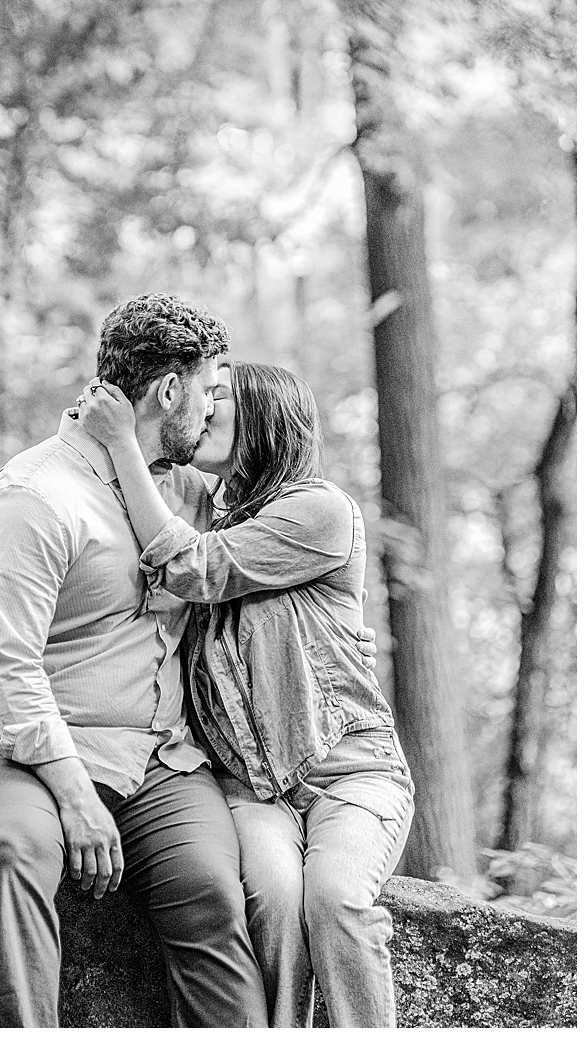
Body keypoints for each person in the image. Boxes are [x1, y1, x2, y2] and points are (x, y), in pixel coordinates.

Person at [0, 293, 269, 1027]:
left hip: (158, 759)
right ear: (170, 391)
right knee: (19, 849)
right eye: (210, 392)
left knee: (214, 891)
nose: (214, 411)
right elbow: (7, 670)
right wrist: (75, 798)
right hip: (23, 749)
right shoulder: (33, 497)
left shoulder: (189, 492)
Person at [78, 361, 413, 1028]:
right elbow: (148, 488)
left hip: (350, 775)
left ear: (264, 417)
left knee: (335, 899)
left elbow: (193, 567)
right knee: (275, 902)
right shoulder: (214, 513)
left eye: (220, 397)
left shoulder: (321, 511)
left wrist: (120, 442)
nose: (203, 407)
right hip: (253, 788)